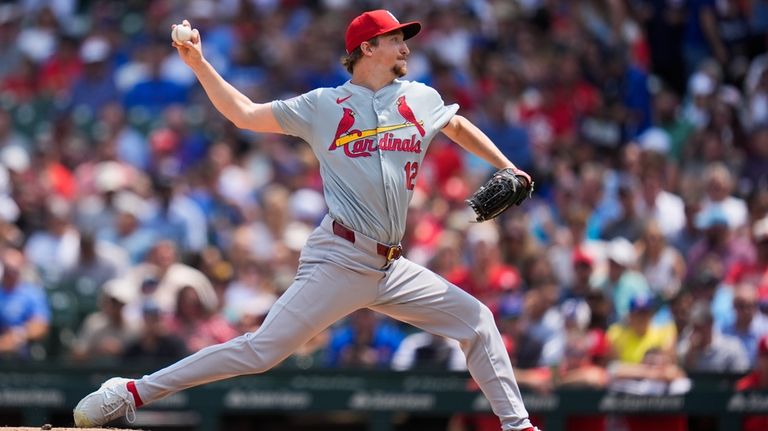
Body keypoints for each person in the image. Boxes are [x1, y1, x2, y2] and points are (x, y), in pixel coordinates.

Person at [73, 10, 539, 431]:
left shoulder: (420, 97)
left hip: (391, 265)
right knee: (260, 353)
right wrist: (198, 63)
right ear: (367, 49)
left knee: (478, 321)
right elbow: (245, 114)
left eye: (405, 39)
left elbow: (455, 124)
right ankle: (131, 391)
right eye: (396, 39)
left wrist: (506, 166)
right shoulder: (323, 105)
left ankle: (518, 428)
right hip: (340, 256)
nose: (405, 47)